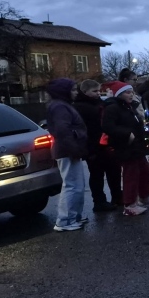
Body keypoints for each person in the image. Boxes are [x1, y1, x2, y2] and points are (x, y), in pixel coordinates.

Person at [102, 81, 149, 216]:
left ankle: (145, 196)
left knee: (145, 171)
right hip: (125, 147)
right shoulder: (112, 108)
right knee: (131, 175)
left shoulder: (129, 107)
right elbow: (108, 127)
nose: (131, 95)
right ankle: (129, 204)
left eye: (132, 92)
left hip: (137, 146)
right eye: (128, 92)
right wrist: (127, 134)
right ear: (119, 94)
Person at [45, 78, 89, 231]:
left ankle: (73, 217)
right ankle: (64, 221)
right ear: (64, 91)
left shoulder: (62, 106)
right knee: (72, 185)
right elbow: (62, 131)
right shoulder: (60, 107)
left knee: (77, 185)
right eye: (73, 90)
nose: (76, 93)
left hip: (69, 150)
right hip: (67, 151)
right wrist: (74, 149)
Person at [73, 79, 120, 211]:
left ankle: (117, 196)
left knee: (114, 172)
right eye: (95, 91)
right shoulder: (80, 107)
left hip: (105, 143)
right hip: (93, 146)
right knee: (97, 175)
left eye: (99, 91)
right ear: (85, 92)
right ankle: (99, 201)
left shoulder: (98, 103)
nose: (98, 93)